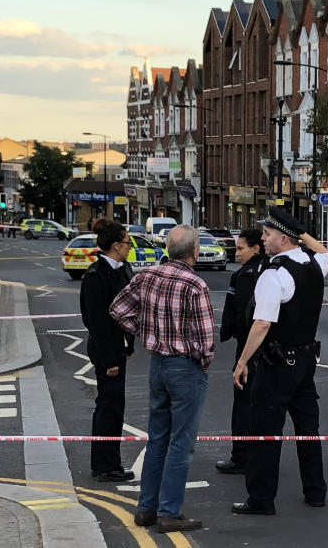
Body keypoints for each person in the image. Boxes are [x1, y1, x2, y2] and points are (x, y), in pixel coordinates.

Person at [110, 224, 215, 534]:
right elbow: (207, 337)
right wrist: (204, 360)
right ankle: (170, 512)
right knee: (181, 443)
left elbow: (117, 310)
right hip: (185, 367)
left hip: (157, 365)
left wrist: (144, 331)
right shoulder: (195, 285)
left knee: (157, 438)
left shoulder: (146, 276)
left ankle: (146, 509)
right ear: (195, 251)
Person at [231, 207, 328, 516]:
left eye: (268, 234)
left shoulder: (274, 275)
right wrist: (301, 235)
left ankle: (261, 500)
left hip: (276, 365)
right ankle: (315, 492)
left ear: (283, 239)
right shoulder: (315, 265)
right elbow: (323, 249)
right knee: (307, 430)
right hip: (305, 362)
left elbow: (261, 324)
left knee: (265, 432)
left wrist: (242, 362)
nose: (262, 239)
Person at [79, 219, 136, 483]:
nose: (129, 247)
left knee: (115, 407)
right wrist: (109, 358)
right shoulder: (95, 275)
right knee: (107, 407)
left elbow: (130, 308)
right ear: (115, 245)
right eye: (126, 242)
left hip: (118, 348)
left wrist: (129, 344)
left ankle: (111, 462)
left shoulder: (124, 269)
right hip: (106, 352)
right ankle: (104, 466)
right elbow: (96, 321)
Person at [215, 228, 266, 475]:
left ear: (256, 248)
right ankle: (260, 455)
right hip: (267, 348)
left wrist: (241, 353)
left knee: (243, 403)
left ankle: (241, 456)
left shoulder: (245, 276)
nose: (237, 253)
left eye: (241, 248)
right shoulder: (271, 270)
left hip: (249, 346)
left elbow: (245, 314)